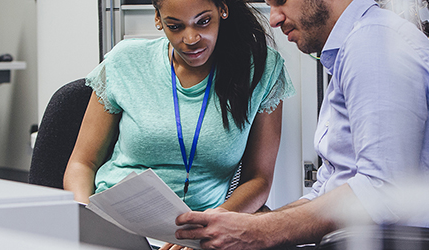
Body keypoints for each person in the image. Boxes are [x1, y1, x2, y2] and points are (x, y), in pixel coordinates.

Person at [173, 0, 429, 249]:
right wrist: (249, 226)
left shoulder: (375, 46)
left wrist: (261, 232)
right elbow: (327, 189)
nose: (275, 19)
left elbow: (382, 190)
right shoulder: (358, 46)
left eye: (280, 2)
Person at [63, 0, 294, 246]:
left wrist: (213, 226)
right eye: (175, 26)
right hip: (116, 227)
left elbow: (258, 179)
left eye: (203, 22)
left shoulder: (260, 69)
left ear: (222, 10)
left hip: (204, 230)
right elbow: (82, 163)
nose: (191, 38)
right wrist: (87, 222)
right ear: (158, 19)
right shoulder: (125, 61)